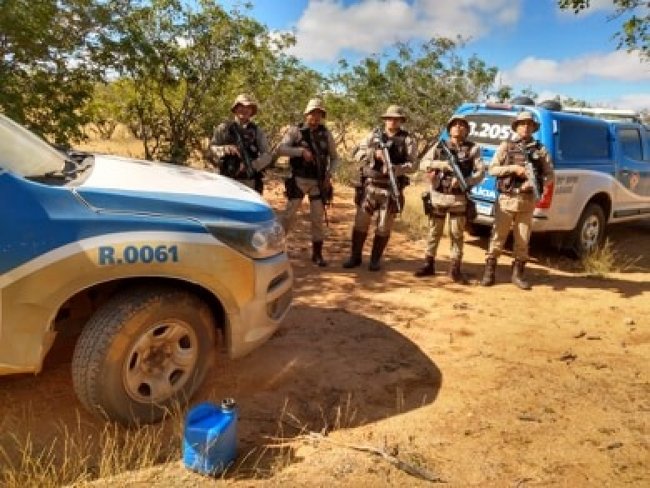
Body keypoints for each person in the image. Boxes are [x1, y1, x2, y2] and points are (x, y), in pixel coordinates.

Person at [480, 111, 554, 290]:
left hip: (527, 201)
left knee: (522, 240)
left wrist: (534, 183)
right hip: (507, 198)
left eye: (529, 124)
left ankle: (518, 274)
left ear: (533, 128)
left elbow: (550, 175)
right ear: (517, 127)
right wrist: (513, 168)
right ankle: (489, 272)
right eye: (522, 124)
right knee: (498, 237)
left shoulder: (540, 149)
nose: (526, 127)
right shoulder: (506, 146)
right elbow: (492, 169)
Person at [342, 105, 417, 271]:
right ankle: (355, 257)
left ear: (401, 121)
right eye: (390, 118)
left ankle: (375, 260)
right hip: (370, 186)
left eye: (396, 118)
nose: (392, 121)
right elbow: (355, 153)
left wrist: (397, 168)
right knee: (361, 223)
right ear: (385, 119)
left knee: (384, 226)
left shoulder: (408, 139)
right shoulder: (373, 135)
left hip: (391, 188)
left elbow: (414, 164)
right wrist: (373, 155)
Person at [414, 115, 484, 282]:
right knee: (434, 231)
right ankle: (428, 264)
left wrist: (464, 182)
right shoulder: (440, 145)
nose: (458, 127)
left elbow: (481, 173)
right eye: (455, 125)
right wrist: (441, 165)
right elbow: (423, 163)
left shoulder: (473, 148)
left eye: (462, 125)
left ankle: (455, 269)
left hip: (458, 199)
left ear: (466, 130)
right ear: (449, 128)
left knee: (456, 234)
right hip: (438, 196)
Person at [276, 98, 339, 267]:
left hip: (318, 181)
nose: (316, 117)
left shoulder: (326, 133)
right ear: (306, 114)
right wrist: (300, 151)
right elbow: (281, 149)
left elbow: (335, 158)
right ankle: (275, 249)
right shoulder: (295, 131)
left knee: (317, 218)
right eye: (313, 113)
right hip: (298, 179)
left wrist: (329, 174)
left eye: (319, 113)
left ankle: (317, 254)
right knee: (289, 215)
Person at [209, 93, 272, 194]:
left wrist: (251, 165)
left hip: (249, 181)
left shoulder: (257, 131)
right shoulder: (223, 128)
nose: (244, 109)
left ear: (252, 111)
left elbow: (267, 155)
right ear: (235, 109)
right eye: (241, 106)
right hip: (226, 178)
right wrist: (224, 149)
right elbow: (212, 148)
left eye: (248, 107)